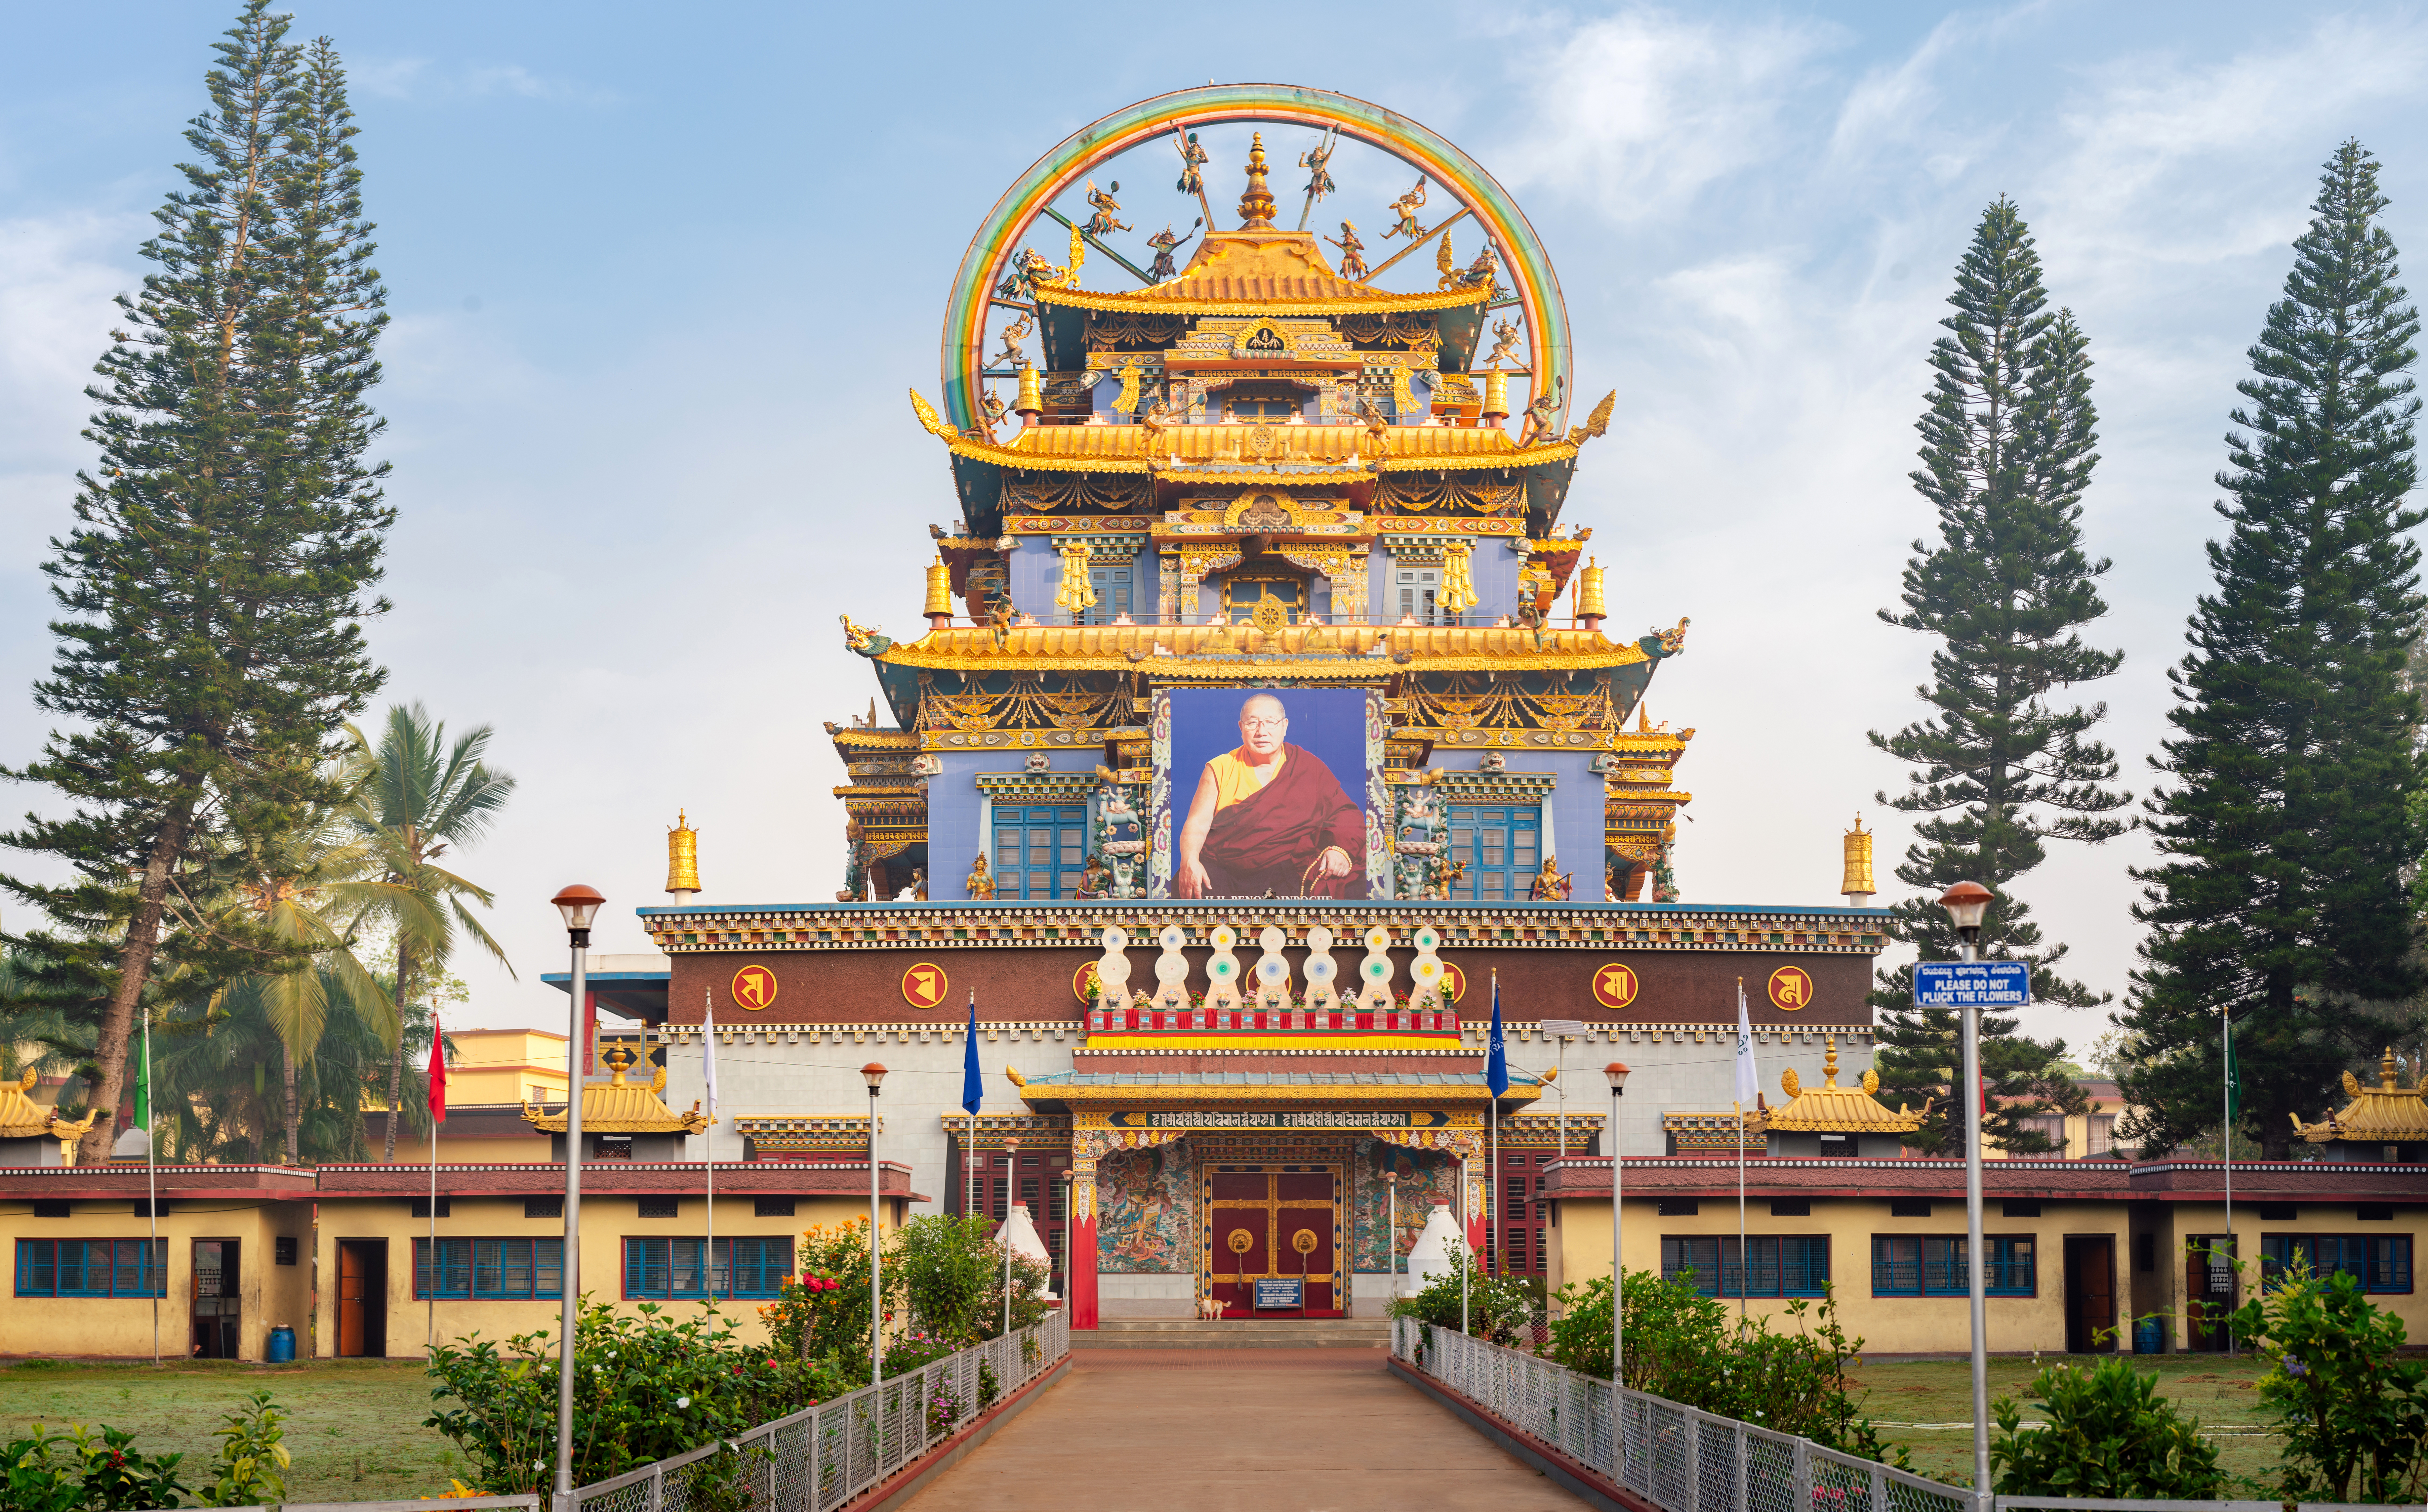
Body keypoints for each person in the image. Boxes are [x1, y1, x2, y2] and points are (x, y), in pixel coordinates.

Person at [1175, 692, 1366, 898]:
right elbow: (1197, 824)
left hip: (1291, 868)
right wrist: (1190, 861)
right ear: (1241, 728)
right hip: (1227, 870)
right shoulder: (1220, 767)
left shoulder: (1308, 767)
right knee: (1193, 886)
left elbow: (1344, 814)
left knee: (1347, 882)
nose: (1261, 732)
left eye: (1270, 723)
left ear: (1284, 726)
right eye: (1252, 723)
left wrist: (1338, 850)